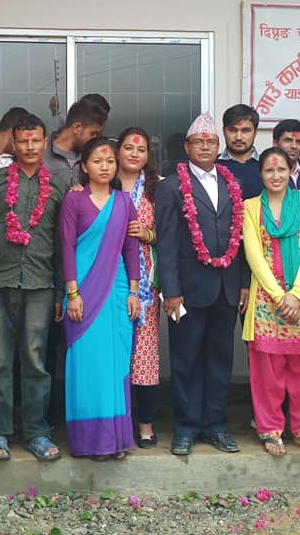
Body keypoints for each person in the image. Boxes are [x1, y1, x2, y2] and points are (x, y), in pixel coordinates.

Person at [0, 113, 68, 462]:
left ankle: (36, 432)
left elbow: (62, 245)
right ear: (13, 142)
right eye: (23, 141)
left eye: (36, 140)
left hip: (40, 286)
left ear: (45, 143)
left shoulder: (58, 187)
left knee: (36, 362)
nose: (29, 147)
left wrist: (60, 292)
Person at [155, 113, 248, 456]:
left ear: (218, 146)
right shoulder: (170, 187)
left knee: (220, 359)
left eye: (211, 142)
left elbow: (240, 238)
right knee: (186, 359)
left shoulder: (232, 182)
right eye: (198, 142)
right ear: (187, 147)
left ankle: (216, 425)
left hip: (226, 287)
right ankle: (186, 427)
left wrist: (243, 283)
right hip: (187, 291)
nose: (205, 147)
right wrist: (170, 291)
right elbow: (166, 242)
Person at [242, 147, 300, 457]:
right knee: (268, 370)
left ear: (291, 171)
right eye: (269, 170)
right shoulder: (251, 207)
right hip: (267, 299)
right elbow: (253, 254)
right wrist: (280, 296)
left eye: (281, 169)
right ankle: (271, 429)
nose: (275, 176)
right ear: (261, 174)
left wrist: (296, 293)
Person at [60, 137, 141, 459]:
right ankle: (91, 441)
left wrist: (134, 291)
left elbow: (131, 248)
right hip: (82, 291)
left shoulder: (124, 202)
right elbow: (66, 247)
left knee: (115, 364)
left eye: (109, 161)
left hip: (117, 290)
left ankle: (116, 439)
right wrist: (72, 293)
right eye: (97, 161)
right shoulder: (74, 201)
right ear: (84, 166)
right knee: (88, 366)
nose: (104, 167)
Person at [117, 126, 162, 448]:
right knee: (115, 355)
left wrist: (148, 235)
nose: (134, 154)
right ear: (117, 150)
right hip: (110, 281)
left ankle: (145, 425)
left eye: (141, 149)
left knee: (145, 357)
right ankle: (117, 424)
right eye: (129, 148)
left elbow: (171, 233)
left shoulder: (158, 189)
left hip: (146, 287)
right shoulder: (103, 183)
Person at [42, 99, 106, 187]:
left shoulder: (93, 157)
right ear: (77, 128)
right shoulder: (41, 152)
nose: (96, 139)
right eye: (93, 133)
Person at [217, 104, 263, 199]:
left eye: (245, 131)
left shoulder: (267, 166)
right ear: (224, 131)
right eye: (232, 130)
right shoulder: (212, 167)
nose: (238, 137)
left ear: (255, 132)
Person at [271, 119, 300, 192]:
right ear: (275, 143)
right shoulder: (265, 175)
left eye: (299, 142)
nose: (294, 146)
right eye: (288, 140)